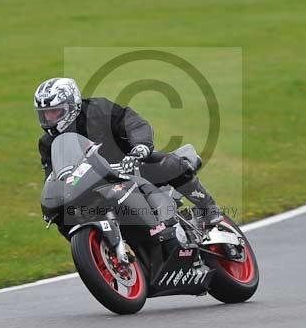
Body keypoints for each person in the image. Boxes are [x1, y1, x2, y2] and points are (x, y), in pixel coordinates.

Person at [34, 77, 222, 227]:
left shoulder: (99, 110)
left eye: (55, 112)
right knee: (63, 217)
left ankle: (209, 208)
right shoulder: (47, 143)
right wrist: (53, 200)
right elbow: (52, 176)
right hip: (93, 187)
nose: (49, 118)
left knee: (170, 164)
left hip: (128, 166)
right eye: (45, 114)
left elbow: (133, 122)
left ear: (72, 105)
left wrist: (139, 147)